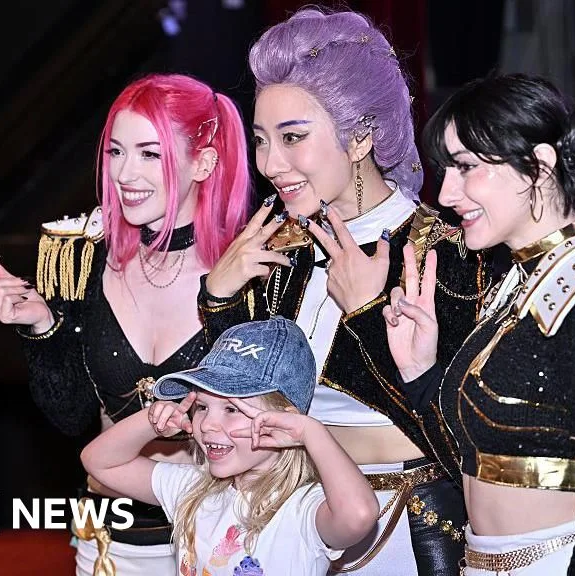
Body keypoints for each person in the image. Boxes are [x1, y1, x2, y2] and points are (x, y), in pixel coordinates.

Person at [196, 8, 492, 575]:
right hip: (294, 517)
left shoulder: (446, 256)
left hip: (411, 529)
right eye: (261, 140)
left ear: (360, 137)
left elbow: (458, 435)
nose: (270, 164)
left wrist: (367, 314)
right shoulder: (278, 251)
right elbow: (232, 402)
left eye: (293, 138)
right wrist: (219, 300)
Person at [385, 73, 575, 575]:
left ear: (539, 166)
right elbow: (469, 461)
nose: (445, 193)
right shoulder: (519, 280)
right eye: (446, 169)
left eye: (466, 167)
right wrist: (420, 373)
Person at [0, 73, 252, 575]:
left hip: (218, 540)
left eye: (150, 154)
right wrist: (42, 325)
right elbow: (70, 418)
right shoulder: (82, 260)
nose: (126, 173)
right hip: (107, 541)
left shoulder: (253, 274)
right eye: (116, 151)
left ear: (204, 162)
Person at [81, 318, 379, 575]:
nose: (208, 424)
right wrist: (152, 421)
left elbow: (359, 515)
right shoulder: (192, 489)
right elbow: (99, 462)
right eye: (201, 407)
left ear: (285, 422)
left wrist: (311, 432)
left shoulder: (302, 508)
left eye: (231, 409)